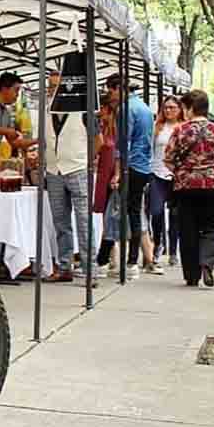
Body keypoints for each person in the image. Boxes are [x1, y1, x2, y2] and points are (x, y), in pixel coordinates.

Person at [164, 90, 214, 288]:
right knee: (212, 226)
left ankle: (191, 274)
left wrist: (182, 172)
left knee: (188, 229)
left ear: (190, 108)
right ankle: (207, 263)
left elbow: (168, 159)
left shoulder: (180, 130)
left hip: (186, 186)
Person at [43, 79, 100, 284]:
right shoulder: (46, 110)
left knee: (84, 221)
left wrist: (87, 160)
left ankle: (90, 269)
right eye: (50, 87)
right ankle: (65, 266)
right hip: (53, 170)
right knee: (60, 222)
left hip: (78, 169)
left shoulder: (84, 110)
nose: (52, 91)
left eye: (56, 87)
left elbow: (98, 140)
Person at [102, 75, 157, 279]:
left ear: (118, 88)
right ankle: (132, 260)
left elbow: (122, 144)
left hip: (131, 166)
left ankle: (128, 260)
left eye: (111, 90)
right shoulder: (143, 107)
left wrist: (117, 172)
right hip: (142, 167)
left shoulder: (125, 109)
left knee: (124, 213)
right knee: (133, 212)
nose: (110, 95)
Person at [150, 96, 184, 267]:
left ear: (180, 109)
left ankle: (173, 251)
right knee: (156, 212)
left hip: (176, 175)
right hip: (157, 173)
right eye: (166, 108)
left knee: (175, 214)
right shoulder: (157, 127)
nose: (169, 111)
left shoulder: (184, 127)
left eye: (173, 107)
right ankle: (158, 243)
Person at [95, 95, 121, 277]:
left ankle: (105, 258)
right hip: (104, 175)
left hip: (110, 176)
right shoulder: (104, 128)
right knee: (106, 216)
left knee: (109, 216)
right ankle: (111, 258)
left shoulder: (114, 130)